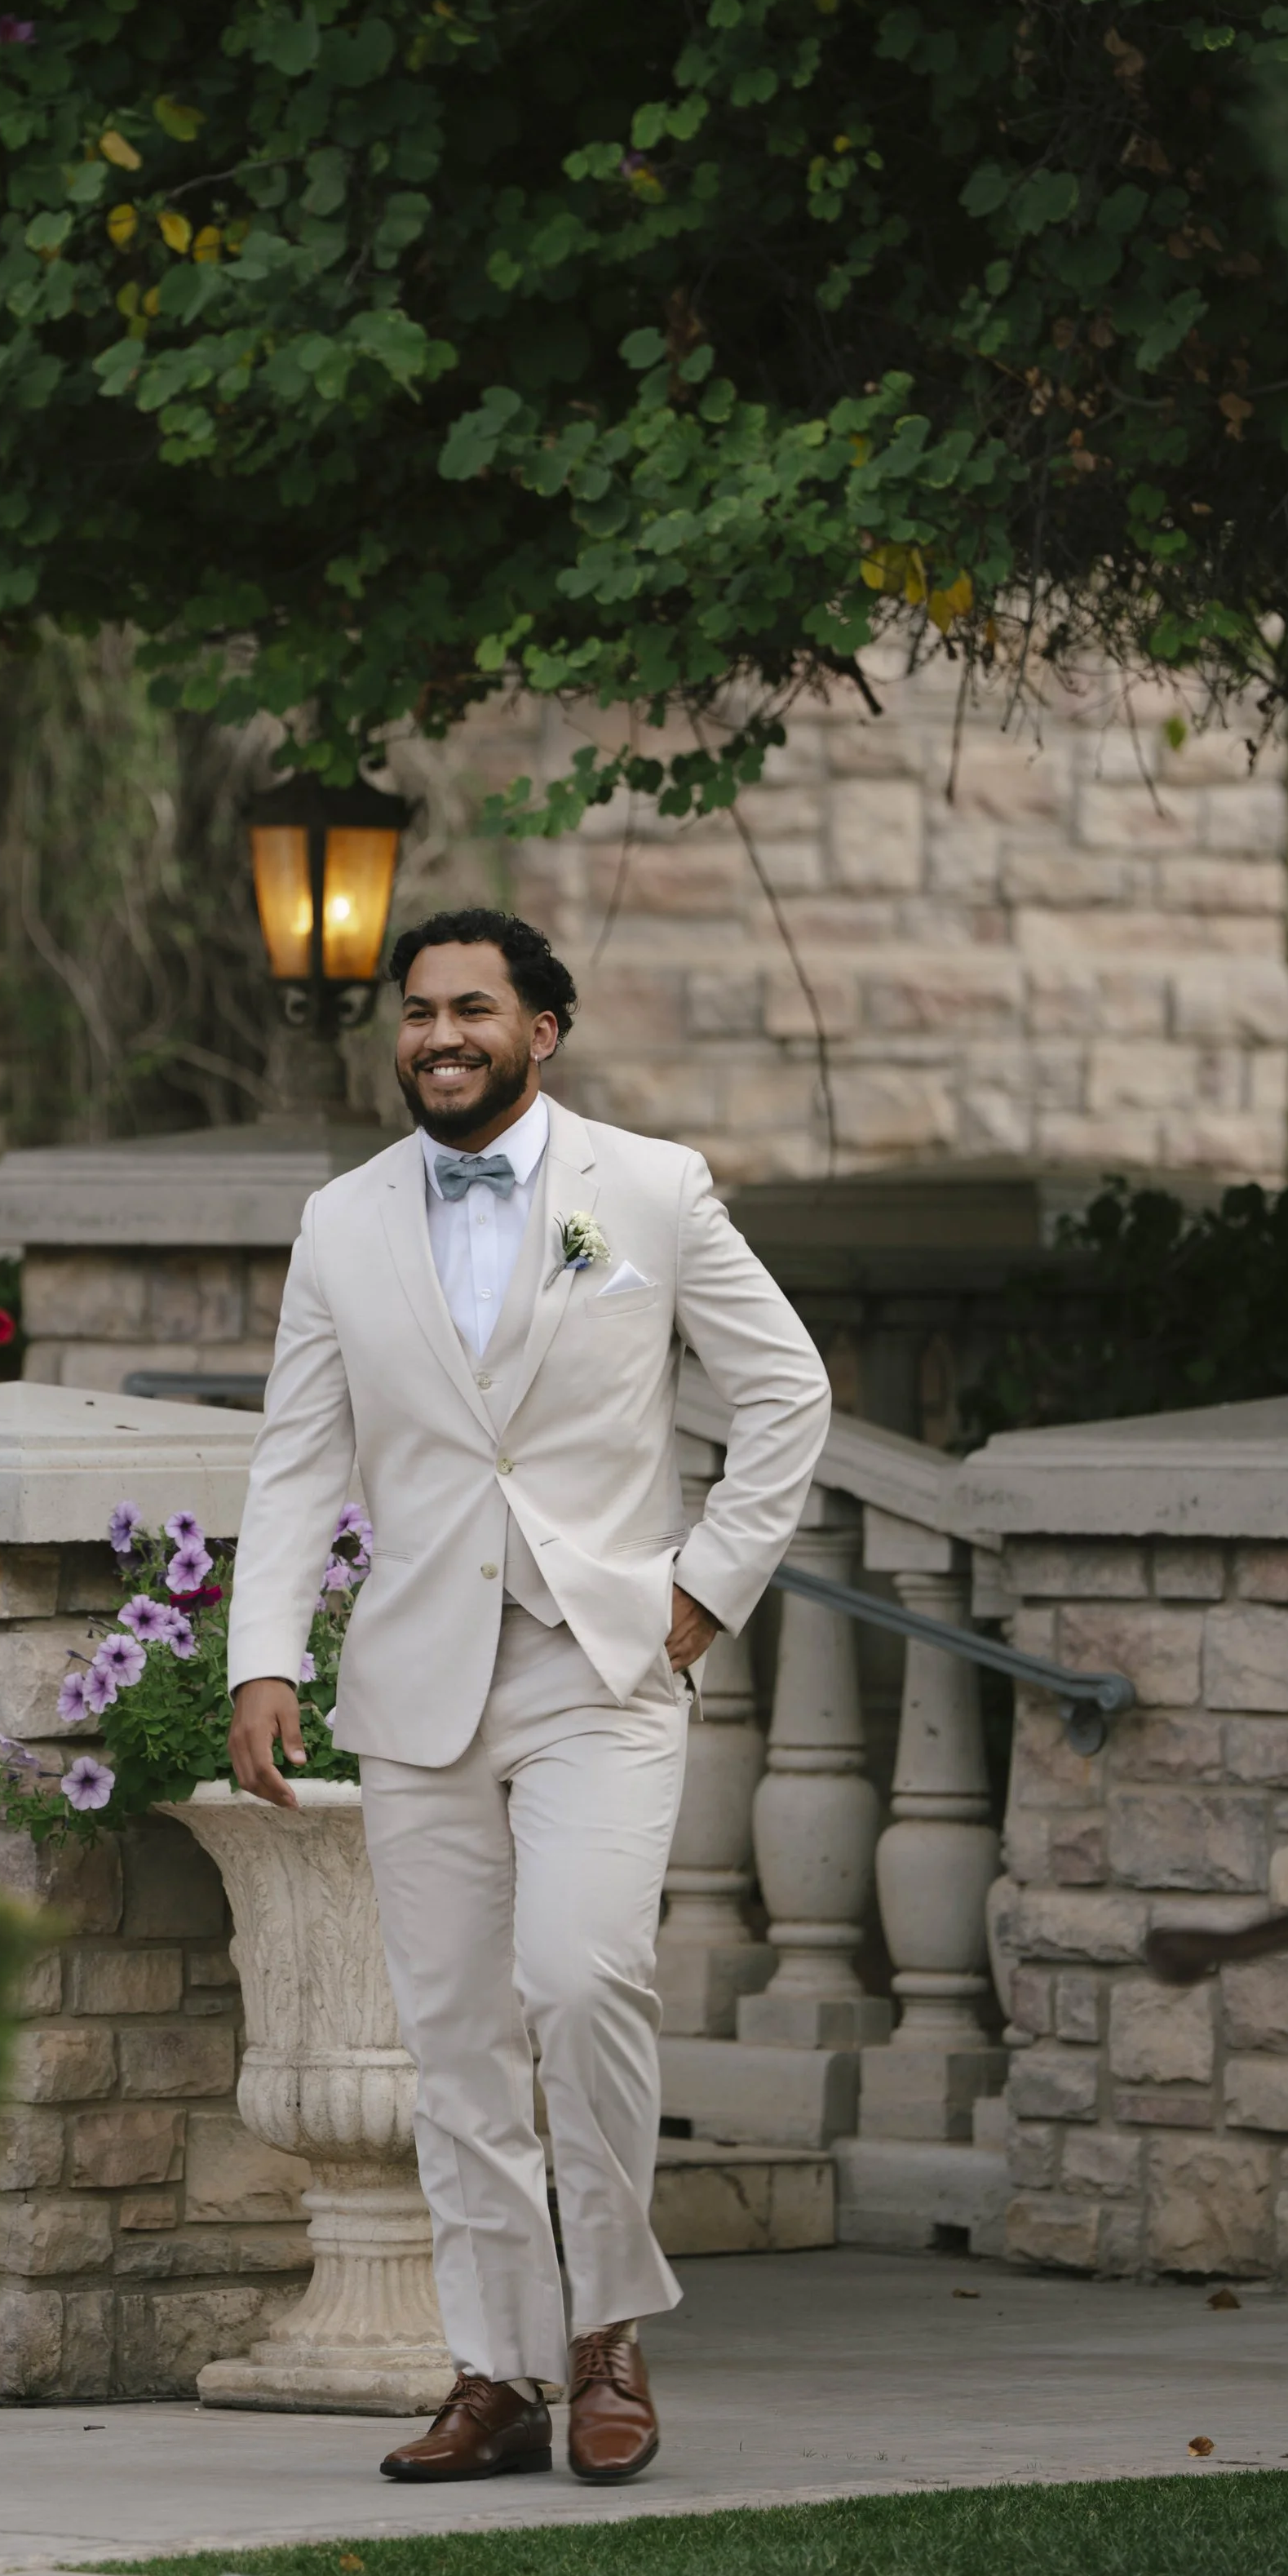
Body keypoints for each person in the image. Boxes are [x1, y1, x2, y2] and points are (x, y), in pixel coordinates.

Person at [226, 907, 830, 2485]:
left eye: (473, 1009)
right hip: (422, 1674)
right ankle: (496, 2369)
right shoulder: (341, 1221)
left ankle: (607, 2332)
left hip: (605, 1659)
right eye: (418, 1011)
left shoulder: (649, 1187)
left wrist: (708, 1588)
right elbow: (298, 1452)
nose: (440, 1035)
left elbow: (787, 1391)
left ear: (540, 1030)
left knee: (580, 1981)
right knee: (457, 2042)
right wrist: (264, 1652)